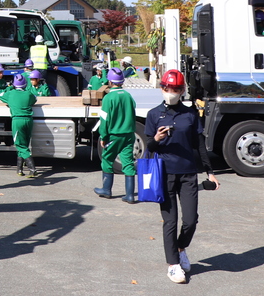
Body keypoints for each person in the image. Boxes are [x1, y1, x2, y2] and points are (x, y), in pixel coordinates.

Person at [145, 69, 221, 284]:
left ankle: (180, 248)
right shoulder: (153, 114)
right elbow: (149, 145)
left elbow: (199, 145)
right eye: (168, 88)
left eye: (177, 89)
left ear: (182, 90)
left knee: (190, 219)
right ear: (162, 88)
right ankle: (173, 264)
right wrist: (157, 138)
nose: (172, 92)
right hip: (164, 174)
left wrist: (210, 172)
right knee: (170, 221)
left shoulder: (190, 114)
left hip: (188, 173)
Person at [94, 68, 137, 202]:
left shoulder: (108, 97)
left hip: (113, 135)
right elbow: (133, 108)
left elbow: (104, 119)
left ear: (110, 81)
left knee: (107, 160)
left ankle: (106, 189)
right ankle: (130, 195)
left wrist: (103, 136)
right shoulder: (128, 95)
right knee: (128, 163)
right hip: (129, 135)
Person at [0, 74, 37, 177]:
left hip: (17, 120)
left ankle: (32, 169)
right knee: (24, 144)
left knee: (20, 145)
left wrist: (9, 87)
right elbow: (35, 99)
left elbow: (0, 95)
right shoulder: (29, 94)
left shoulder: (10, 94)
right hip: (28, 120)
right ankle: (19, 169)